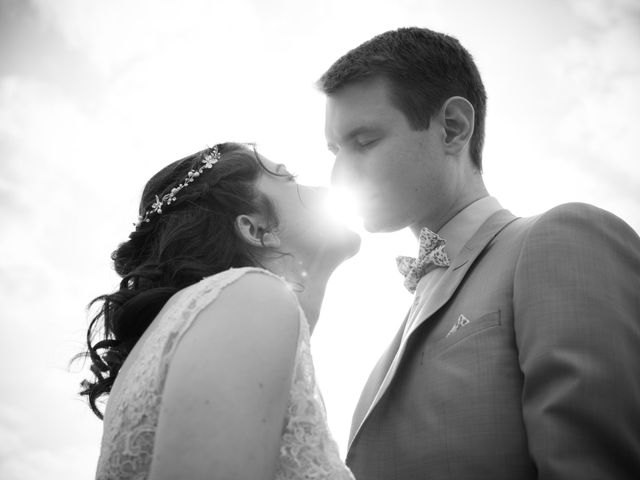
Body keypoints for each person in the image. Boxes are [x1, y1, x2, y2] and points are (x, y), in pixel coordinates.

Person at [318, 27, 640, 479]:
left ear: (453, 127)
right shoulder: (386, 346)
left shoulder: (560, 239)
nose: (338, 175)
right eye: (334, 149)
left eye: (364, 141)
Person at [78, 142, 359, 479]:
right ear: (257, 229)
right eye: (289, 179)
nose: (323, 189)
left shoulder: (203, 321)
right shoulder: (252, 295)